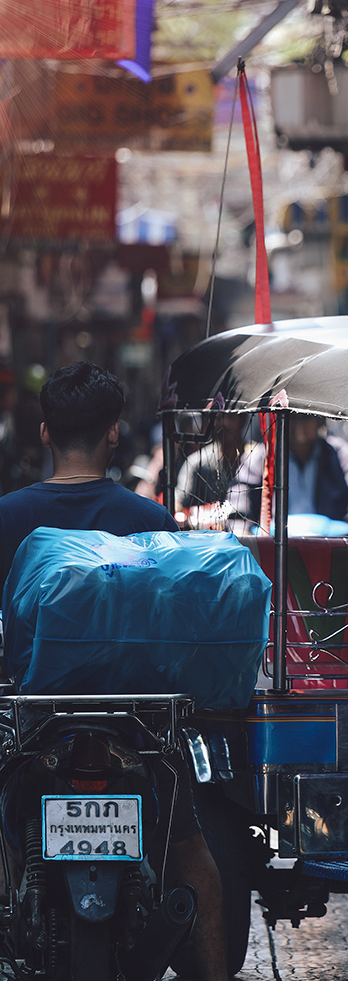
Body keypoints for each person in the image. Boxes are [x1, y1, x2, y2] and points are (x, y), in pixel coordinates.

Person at [0, 362, 228, 981]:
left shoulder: (6, 517)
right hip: (136, 730)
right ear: (114, 435)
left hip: (29, 726)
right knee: (189, 853)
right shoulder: (150, 522)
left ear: (45, 433)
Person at [229, 414, 348, 535]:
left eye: (305, 417)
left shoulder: (340, 453)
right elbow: (240, 497)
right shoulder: (262, 456)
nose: (298, 424)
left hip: (332, 547)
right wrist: (240, 529)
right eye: (291, 417)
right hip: (274, 547)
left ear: (321, 419)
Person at [174, 412, 248, 528]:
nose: (225, 423)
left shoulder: (258, 458)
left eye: (231, 417)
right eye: (219, 418)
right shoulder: (197, 462)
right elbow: (178, 502)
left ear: (243, 420)